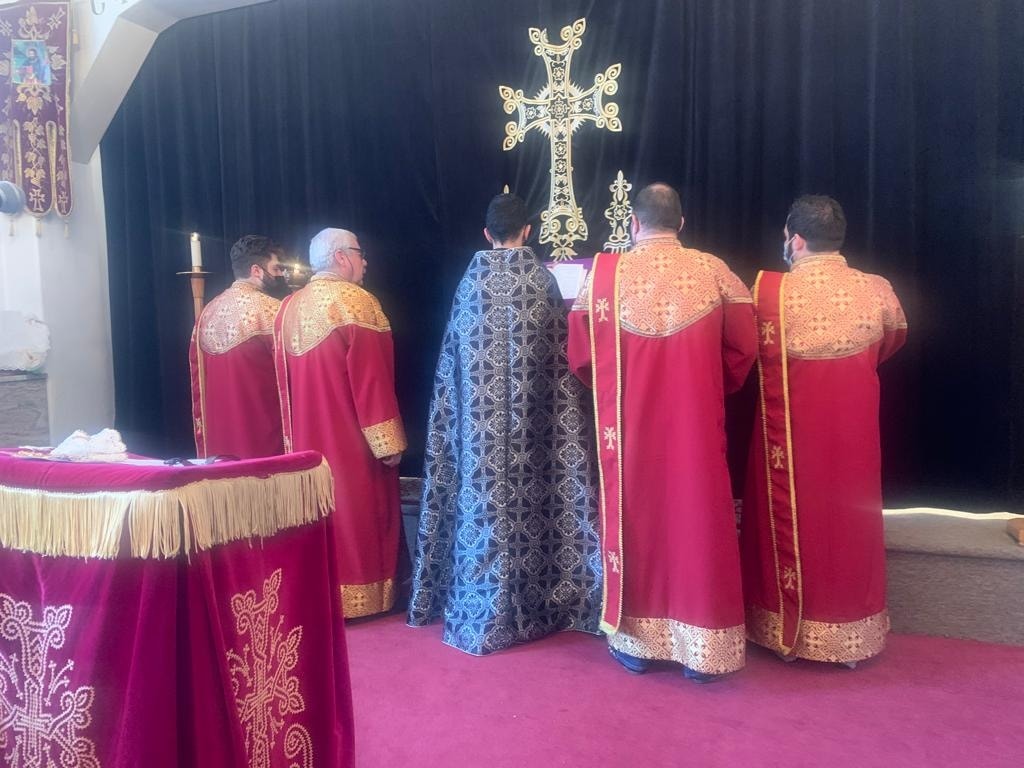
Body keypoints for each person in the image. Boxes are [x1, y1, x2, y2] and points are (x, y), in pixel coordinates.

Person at [567, 183, 758, 682]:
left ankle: (636, 644)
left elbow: (582, 358)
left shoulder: (605, 277)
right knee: (699, 520)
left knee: (640, 521)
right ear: (681, 222)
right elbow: (743, 350)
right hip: (696, 430)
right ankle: (706, 651)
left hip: (631, 433)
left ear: (633, 223)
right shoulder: (716, 272)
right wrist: (707, 388)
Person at [408, 193, 602, 655]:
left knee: (482, 512)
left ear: (486, 234)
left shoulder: (469, 286)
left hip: (478, 441)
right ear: (528, 232)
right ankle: (544, 605)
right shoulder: (542, 283)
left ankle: (478, 608)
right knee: (537, 512)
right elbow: (562, 371)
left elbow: (450, 371)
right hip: (537, 437)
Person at [741, 195, 907, 668]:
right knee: (849, 525)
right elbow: (891, 341)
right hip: (854, 438)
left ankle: (783, 630)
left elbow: (744, 351)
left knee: (791, 518)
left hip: (788, 440)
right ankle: (851, 634)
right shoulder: (878, 290)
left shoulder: (767, 294)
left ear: (795, 240)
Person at [275, 228, 407, 619]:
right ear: (341, 257)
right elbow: (371, 381)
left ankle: (322, 595)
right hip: (351, 441)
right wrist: (388, 443)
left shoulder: (289, 306)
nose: (365, 261)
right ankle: (367, 598)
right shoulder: (356, 303)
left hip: (306, 443)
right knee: (359, 515)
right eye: (359, 253)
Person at [189, 234, 289, 458]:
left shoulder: (208, 311)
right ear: (256, 271)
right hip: (263, 438)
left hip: (220, 441)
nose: (281, 274)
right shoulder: (273, 310)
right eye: (276, 268)